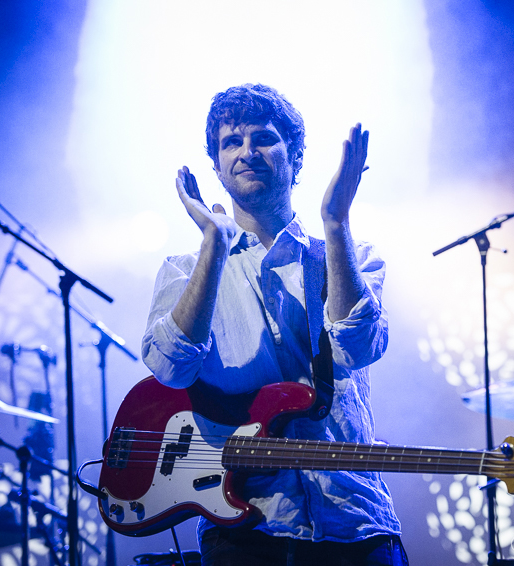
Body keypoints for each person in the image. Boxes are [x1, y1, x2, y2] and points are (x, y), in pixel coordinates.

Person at [141, 84, 406, 565]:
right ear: (217, 166)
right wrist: (214, 248)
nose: (246, 152)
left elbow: (358, 347)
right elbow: (170, 368)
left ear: (296, 156)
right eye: (230, 142)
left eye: (263, 138)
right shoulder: (185, 269)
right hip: (247, 530)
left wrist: (336, 221)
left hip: (357, 523)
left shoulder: (353, 255)